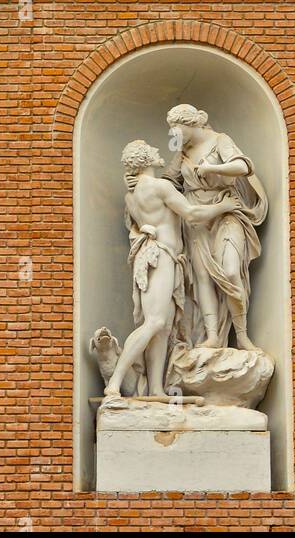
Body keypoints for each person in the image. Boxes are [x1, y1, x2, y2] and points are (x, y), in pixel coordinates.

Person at [102, 139, 238, 399]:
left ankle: (155, 388)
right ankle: (115, 383)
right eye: (151, 149)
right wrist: (224, 207)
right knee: (154, 322)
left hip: (162, 257)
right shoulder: (159, 187)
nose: (157, 150)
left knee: (162, 326)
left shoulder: (131, 195)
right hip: (161, 256)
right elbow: (191, 214)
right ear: (145, 159)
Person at [166, 103, 268, 352]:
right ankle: (212, 336)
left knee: (231, 271)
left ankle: (242, 335)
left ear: (190, 124)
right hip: (196, 218)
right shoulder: (181, 153)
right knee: (202, 277)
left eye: (176, 128)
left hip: (226, 208)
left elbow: (243, 167)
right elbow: (167, 181)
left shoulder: (219, 140)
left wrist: (212, 167)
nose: (174, 135)